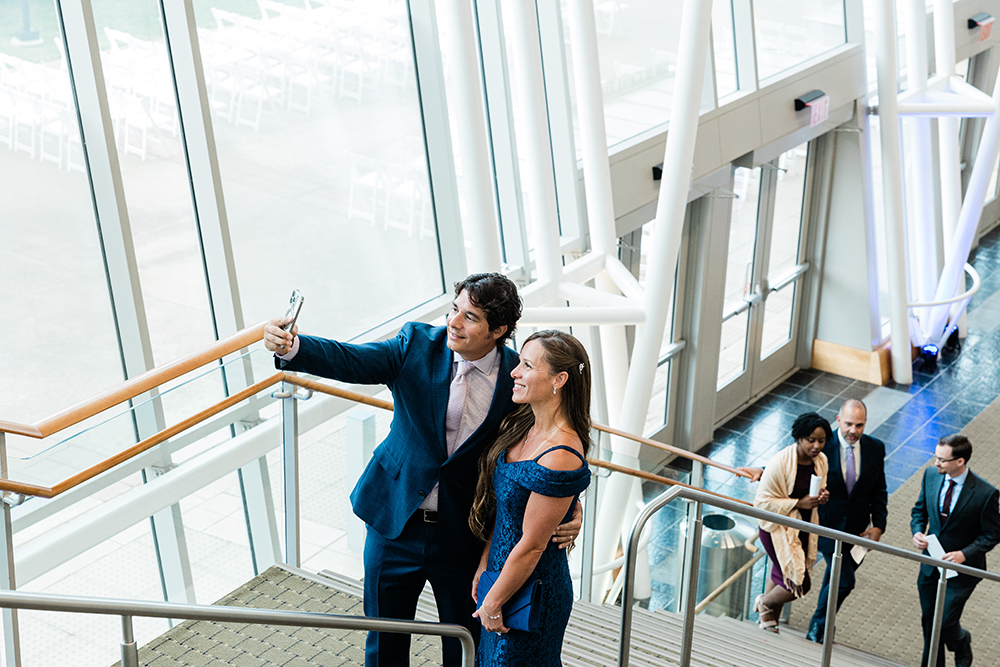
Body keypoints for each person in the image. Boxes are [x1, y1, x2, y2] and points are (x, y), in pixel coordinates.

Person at [263, 273, 581, 667]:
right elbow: (353, 360)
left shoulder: (519, 377)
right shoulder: (415, 344)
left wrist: (570, 504)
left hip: (462, 532)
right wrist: (294, 348)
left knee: (464, 643)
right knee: (385, 643)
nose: (454, 322)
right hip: (394, 523)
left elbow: (552, 440)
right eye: (454, 309)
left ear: (498, 330)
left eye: (470, 317)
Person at [467, 330, 591, 666]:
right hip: (503, 575)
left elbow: (533, 545)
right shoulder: (523, 424)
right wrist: (485, 565)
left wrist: (494, 601)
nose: (514, 372)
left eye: (527, 365)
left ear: (559, 379)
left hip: (533, 592)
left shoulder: (562, 452)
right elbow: (508, 509)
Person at [911, 434, 1000, 667]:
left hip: (963, 571)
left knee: (945, 623)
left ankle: (961, 641)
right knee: (929, 620)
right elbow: (919, 511)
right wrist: (917, 532)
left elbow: (993, 534)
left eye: (942, 460)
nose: (936, 464)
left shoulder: (985, 494)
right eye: (936, 457)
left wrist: (964, 554)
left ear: (960, 461)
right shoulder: (931, 476)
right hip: (931, 564)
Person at [806, 399, 888, 643]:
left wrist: (878, 525)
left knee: (834, 578)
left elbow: (879, 490)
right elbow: (793, 467)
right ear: (839, 420)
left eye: (860, 425)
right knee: (844, 581)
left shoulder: (875, 448)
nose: (854, 430)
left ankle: (820, 627)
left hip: (856, 530)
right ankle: (819, 625)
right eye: (849, 424)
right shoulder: (822, 445)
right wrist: (762, 471)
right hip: (826, 525)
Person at [751, 412, 830, 633]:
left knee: (781, 571)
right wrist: (798, 503)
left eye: (821, 441)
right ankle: (765, 603)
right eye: (811, 440)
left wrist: (822, 496)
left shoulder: (821, 461)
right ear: (799, 438)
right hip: (776, 527)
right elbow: (762, 503)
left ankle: (768, 624)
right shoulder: (779, 462)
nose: (816, 446)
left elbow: (817, 488)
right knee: (798, 582)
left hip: (803, 525)